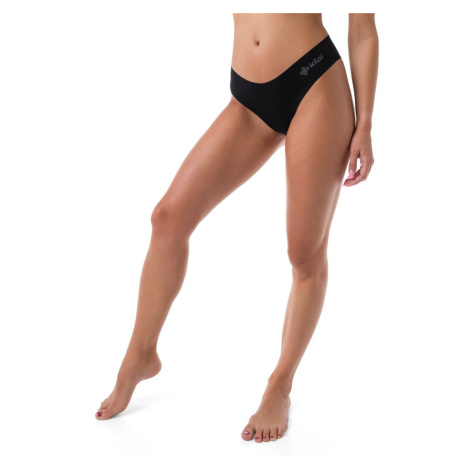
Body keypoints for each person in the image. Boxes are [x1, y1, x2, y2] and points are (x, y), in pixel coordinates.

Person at [95, 13, 379, 444]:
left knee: (304, 254)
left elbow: (362, 29)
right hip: (248, 98)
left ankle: (279, 385)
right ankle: (142, 354)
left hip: (315, 84)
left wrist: (365, 124)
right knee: (168, 218)